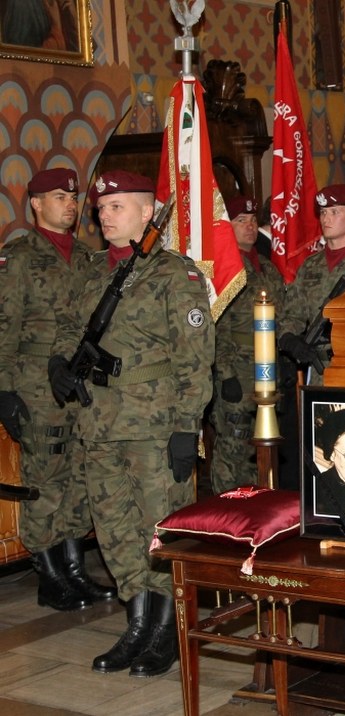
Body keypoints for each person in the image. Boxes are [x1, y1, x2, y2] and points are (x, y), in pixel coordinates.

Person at [48, 170, 215, 678]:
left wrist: (187, 426)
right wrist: (58, 363)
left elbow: (195, 358)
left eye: (116, 206)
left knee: (158, 528)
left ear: (147, 213)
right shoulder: (90, 271)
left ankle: (167, 628)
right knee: (114, 527)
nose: (104, 214)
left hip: (153, 422)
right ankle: (138, 623)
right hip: (98, 421)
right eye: (102, 207)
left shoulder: (174, 274)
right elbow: (67, 327)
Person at [0, 168, 116, 612]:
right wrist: (4, 390)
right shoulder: (19, 257)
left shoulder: (88, 257)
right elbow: (4, 327)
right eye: (58, 196)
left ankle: (73, 569)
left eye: (72, 196)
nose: (70, 204)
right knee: (45, 479)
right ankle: (49, 575)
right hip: (35, 386)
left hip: (80, 384)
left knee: (78, 477)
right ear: (35, 203)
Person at [209, 196, 286, 494]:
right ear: (226, 227)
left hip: (266, 370)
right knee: (234, 442)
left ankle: (257, 504)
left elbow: (282, 316)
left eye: (253, 220)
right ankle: (227, 506)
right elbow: (216, 325)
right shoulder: (224, 270)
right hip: (237, 371)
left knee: (261, 445)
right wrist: (226, 373)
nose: (250, 226)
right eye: (241, 220)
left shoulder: (267, 268)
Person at [278, 184, 345, 386]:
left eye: (334, 212)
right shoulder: (310, 266)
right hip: (319, 373)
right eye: (323, 212)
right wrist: (290, 340)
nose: (326, 219)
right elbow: (292, 315)